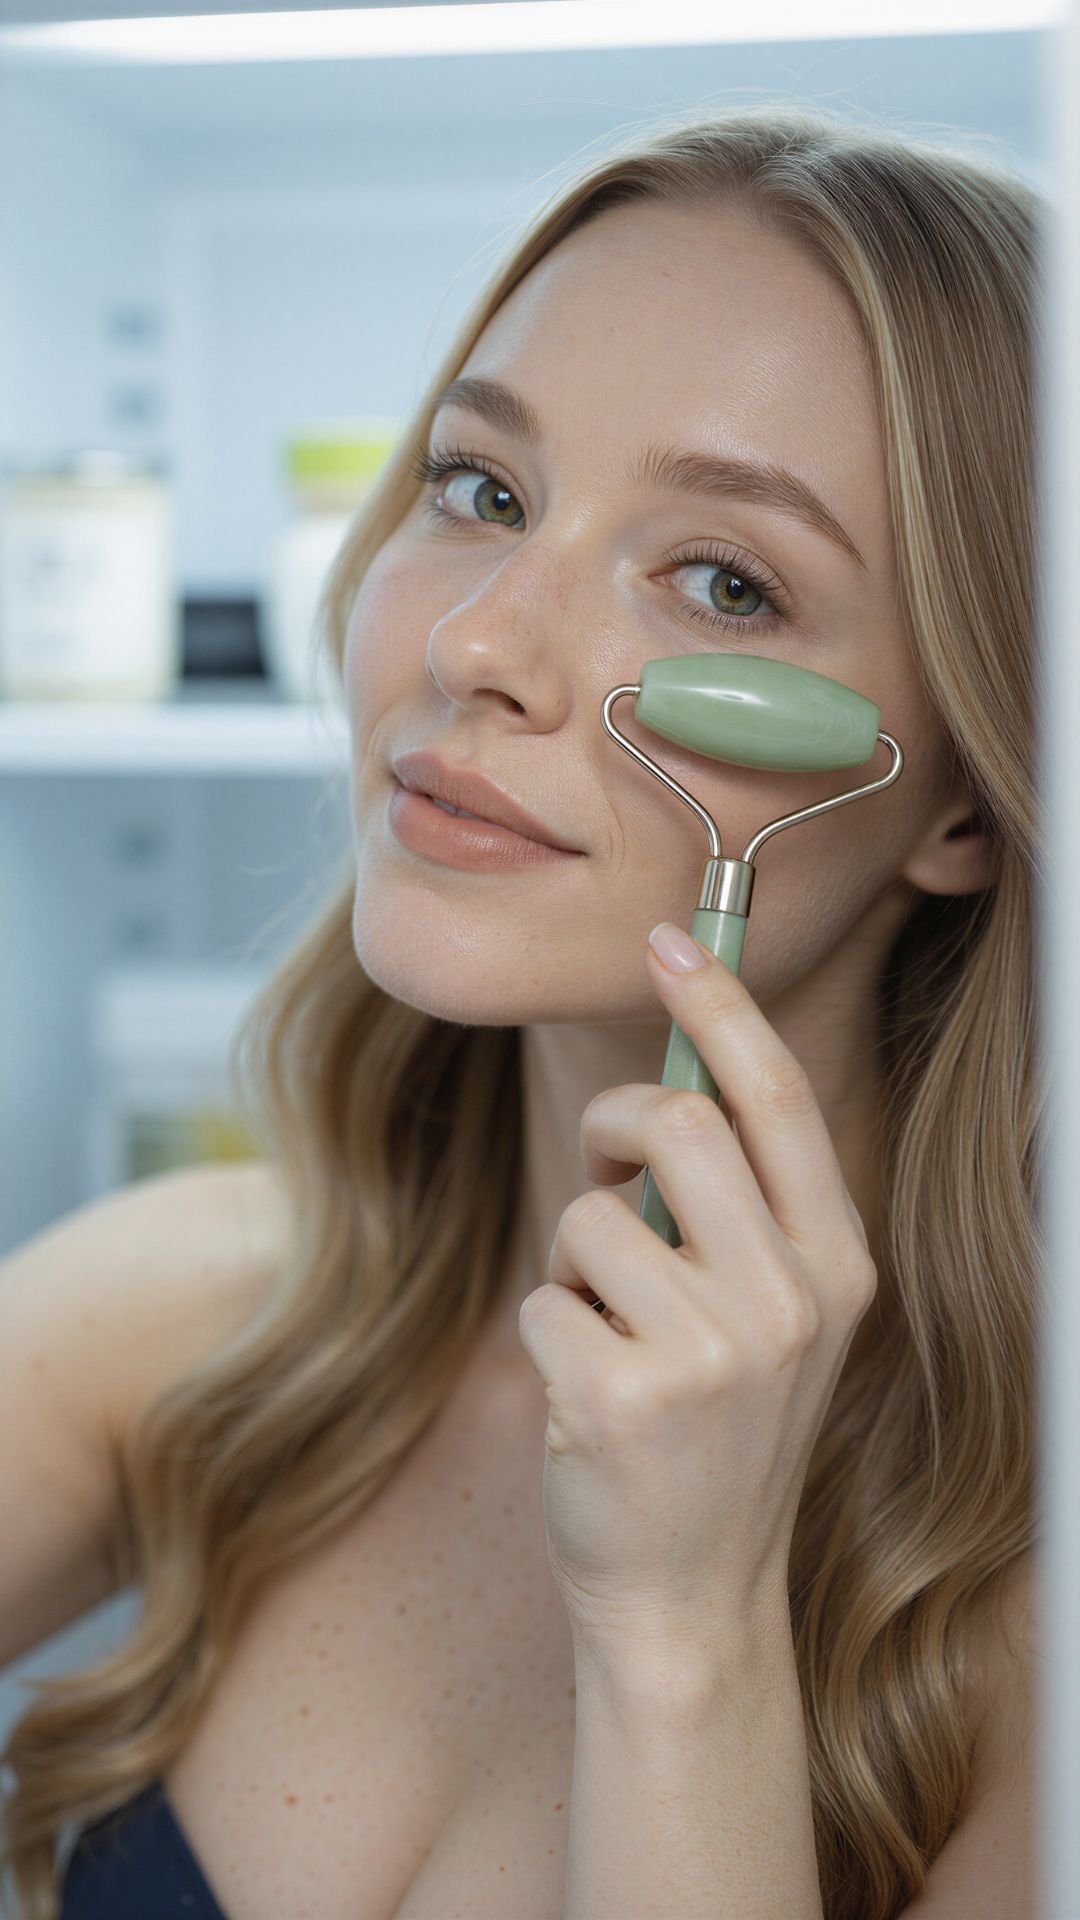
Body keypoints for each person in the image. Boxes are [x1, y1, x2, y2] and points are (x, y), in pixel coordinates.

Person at [0, 103, 1042, 1920]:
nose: (480, 639)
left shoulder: (1045, 1620)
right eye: (481, 489)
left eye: (726, 582)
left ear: (964, 797)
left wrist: (682, 1636)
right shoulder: (186, 1321)